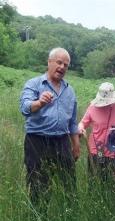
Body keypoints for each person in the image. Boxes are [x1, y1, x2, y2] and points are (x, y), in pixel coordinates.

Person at [19, 47, 80, 208]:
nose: (62, 67)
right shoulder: (34, 84)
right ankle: (39, 217)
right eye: (59, 62)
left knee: (69, 184)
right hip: (37, 141)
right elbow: (24, 107)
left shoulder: (70, 90)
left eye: (66, 65)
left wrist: (76, 144)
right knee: (39, 184)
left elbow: (73, 121)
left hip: (62, 141)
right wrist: (39, 103)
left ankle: (69, 215)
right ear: (49, 62)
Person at [78, 82, 115, 183]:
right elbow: (83, 123)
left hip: (114, 151)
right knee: (94, 179)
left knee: (113, 182)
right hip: (97, 150)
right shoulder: (92, 107)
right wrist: (81, 128)